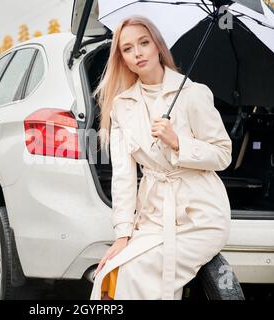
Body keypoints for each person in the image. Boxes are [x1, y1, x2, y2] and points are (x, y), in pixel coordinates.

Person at [90, 15, 232, 300]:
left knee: (140, 272)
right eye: (128, 48)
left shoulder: (192, 93)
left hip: (200, 216)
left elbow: (222, 153)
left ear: (158, 45)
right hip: (153, 218)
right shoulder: (121, 106)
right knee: (109, 273)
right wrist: (123, 234)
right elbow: (124, 176)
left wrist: (178, 143)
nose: (138, 52)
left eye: (144, 43)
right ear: (122, 58)